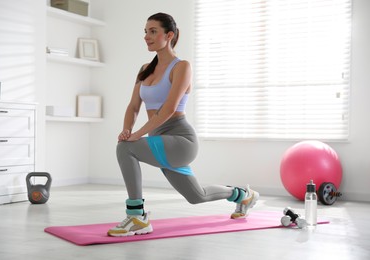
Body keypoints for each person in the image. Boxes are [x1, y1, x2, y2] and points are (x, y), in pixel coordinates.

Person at [107, 12, 259, 237]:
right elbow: (133, 106)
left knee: (125, 148)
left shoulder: (182, 67)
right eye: (145, 31)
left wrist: (137, 135)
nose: (146, 36)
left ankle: (137, 216)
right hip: (160, 139)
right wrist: (127, 129)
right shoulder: (144, 69)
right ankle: (243, 195)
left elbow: (168, 109)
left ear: (169, 35)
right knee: (197, 196)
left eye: (153, 31)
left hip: (180, 140)